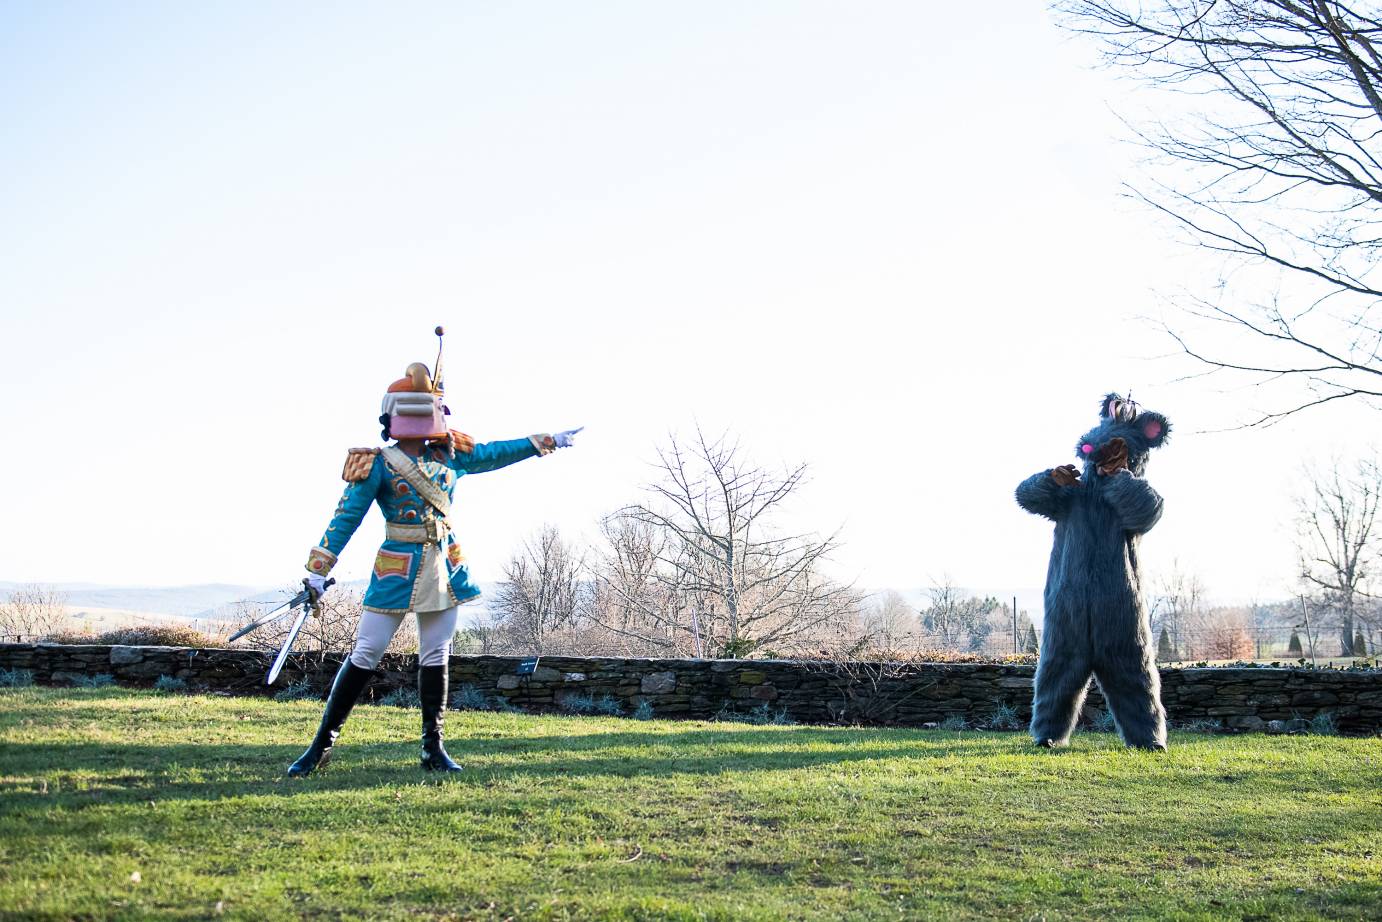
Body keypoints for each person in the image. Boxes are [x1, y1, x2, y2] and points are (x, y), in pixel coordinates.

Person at [288, 330, 580, 776]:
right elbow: (346, 517)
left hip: (445, 565)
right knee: (366, 651)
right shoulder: (377, 463)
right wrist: (317, 568)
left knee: (436, 654)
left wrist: (544, 441)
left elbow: (495, 453)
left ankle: (433, 748)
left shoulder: (450, 455)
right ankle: (321, 747)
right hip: (396, 566)